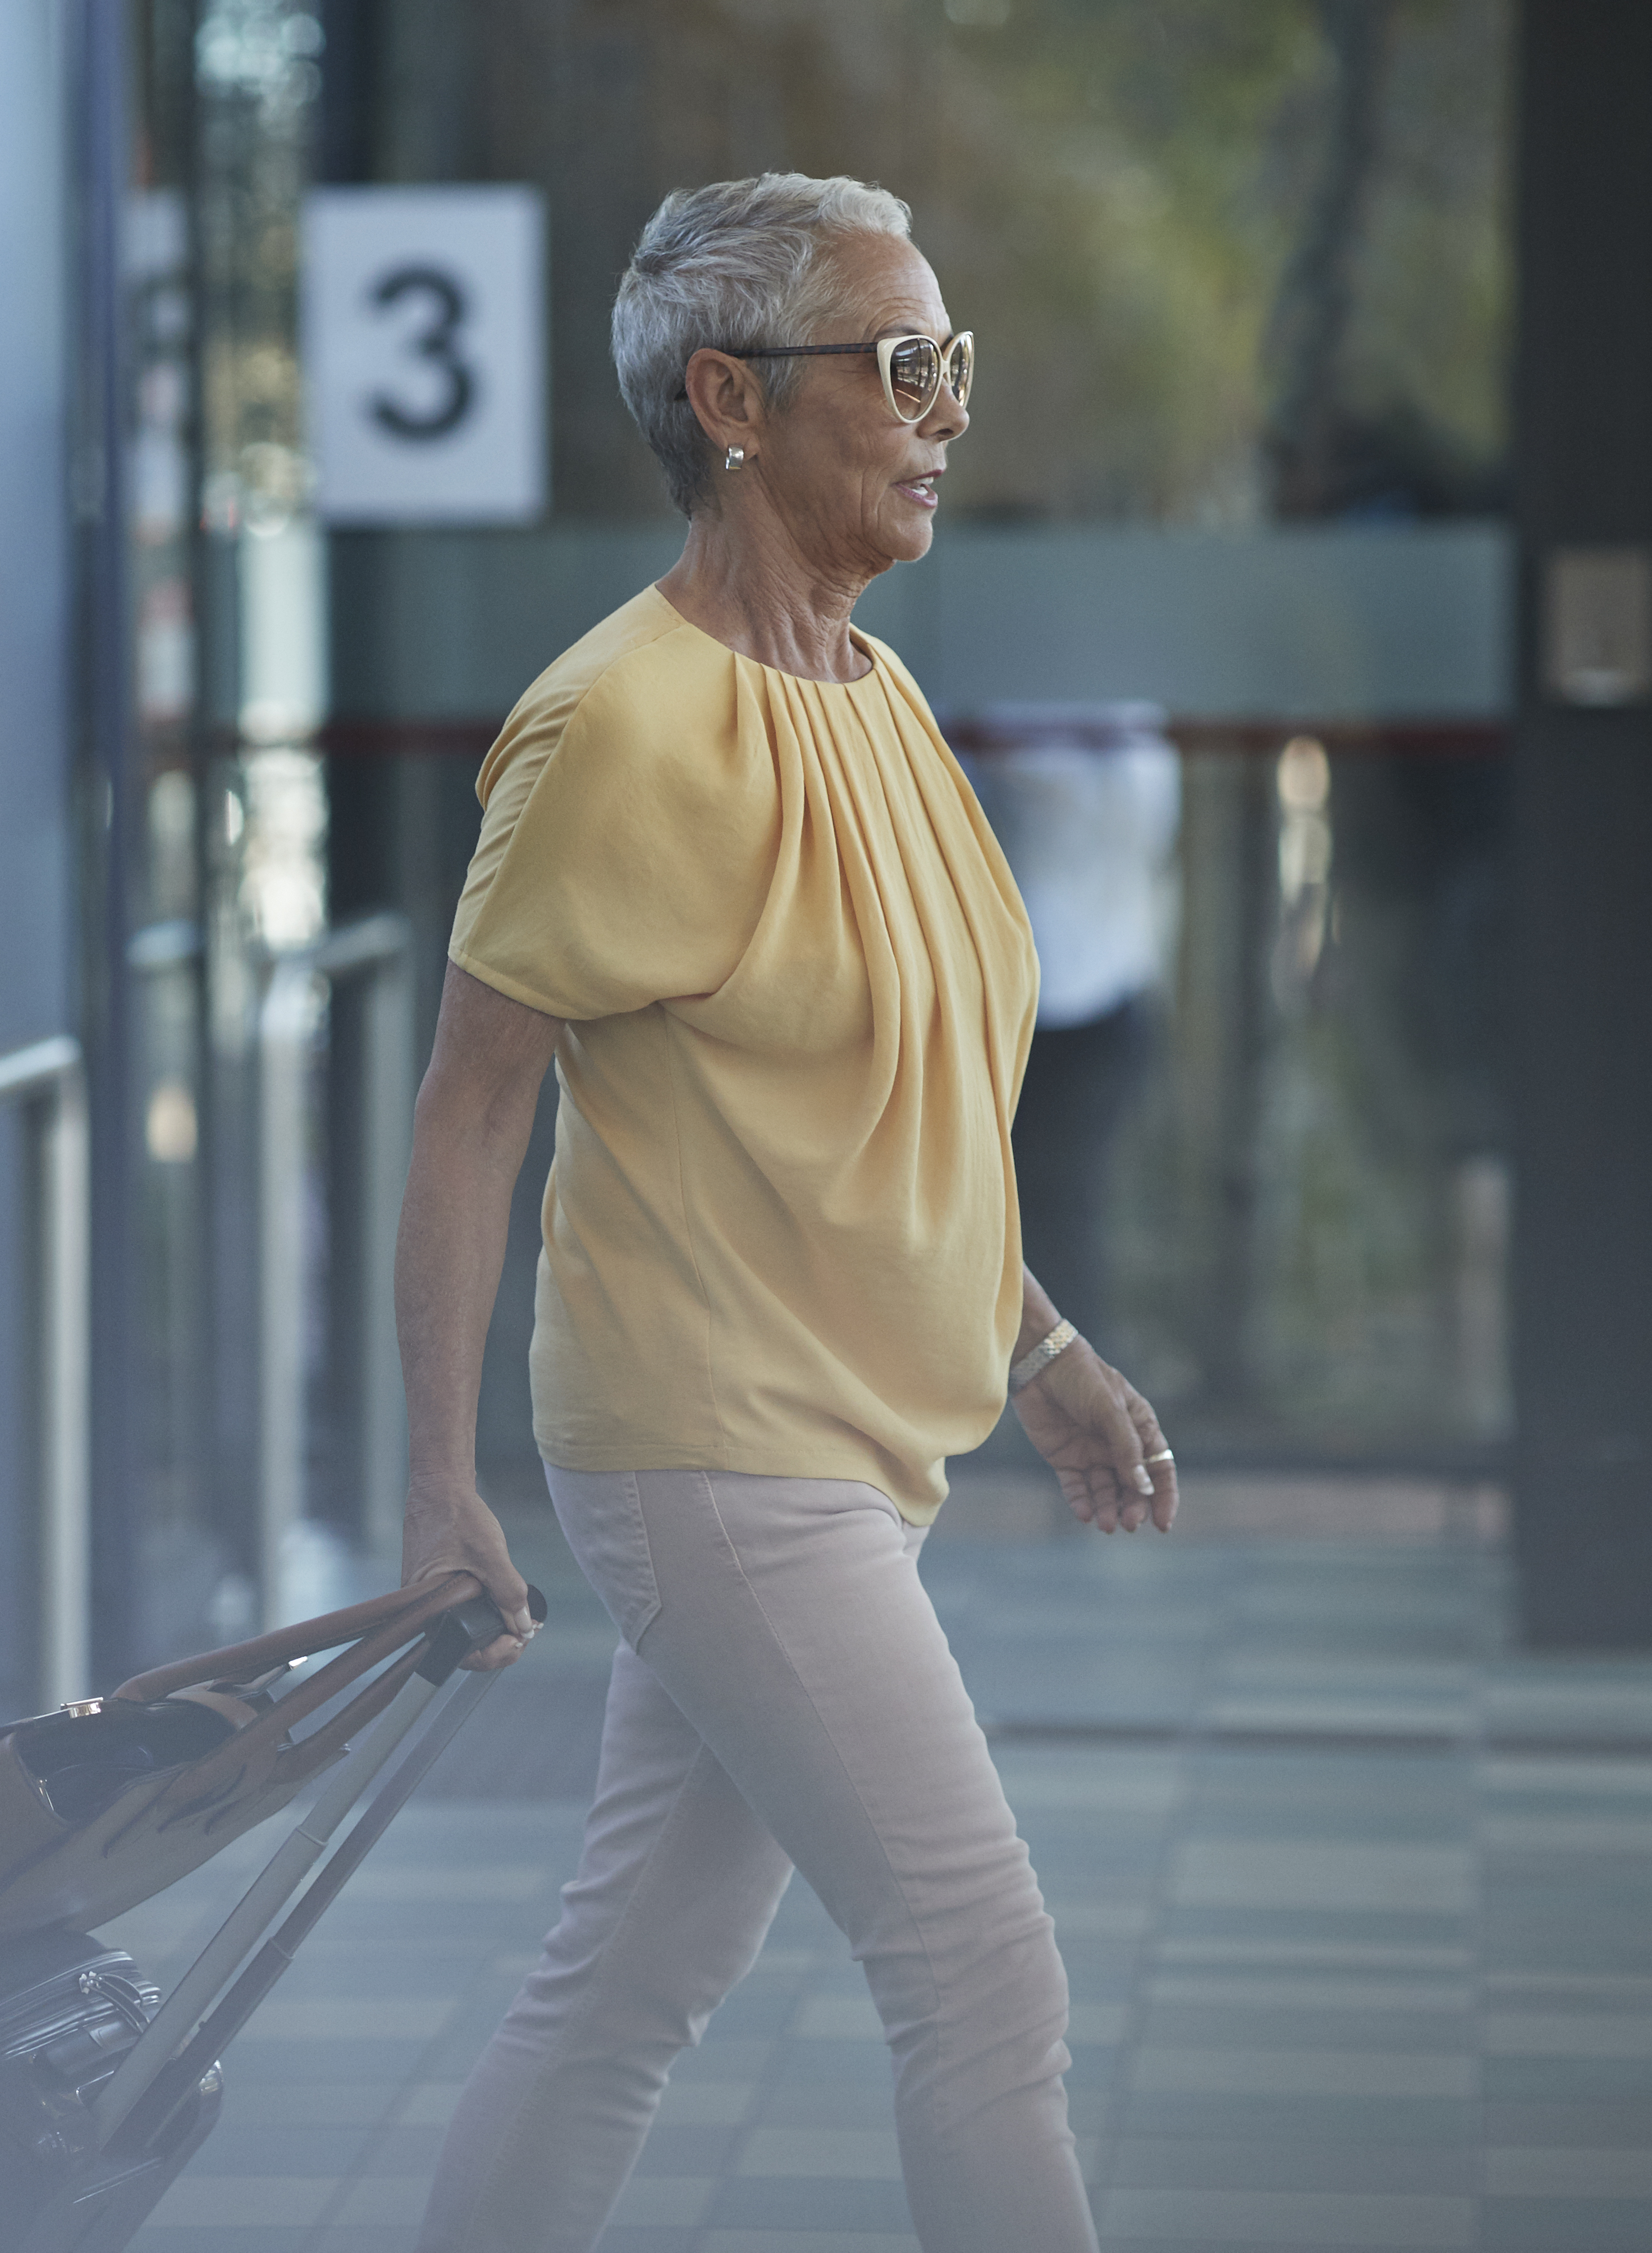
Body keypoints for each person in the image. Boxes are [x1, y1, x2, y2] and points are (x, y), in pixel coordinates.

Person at [394, 173, 1178, 2253]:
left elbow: (888, 1106)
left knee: (626, 1979)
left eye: (956, 366)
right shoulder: (615, 728)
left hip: (848, 1433)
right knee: (984, 1973)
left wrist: (1043, 1343)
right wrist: (431, 1482)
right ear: (731, 399)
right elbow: (467, 1115)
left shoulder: (878, 695)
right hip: (718, 1443)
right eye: (901, 366)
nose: (945, 411)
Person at [973, 701, 1181, 1353]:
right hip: (1017, 1001)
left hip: (1086, 1005)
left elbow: (1064, 801)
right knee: (1007, 1218)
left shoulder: (1127, 735)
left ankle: (1065, 1403)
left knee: (1061, 1216)